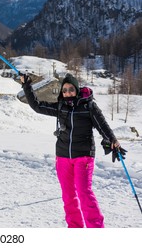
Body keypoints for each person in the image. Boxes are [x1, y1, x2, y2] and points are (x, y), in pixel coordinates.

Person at [20, 73, 125, 228]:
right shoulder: (60, 107)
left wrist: (113, 141)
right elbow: (37, 106)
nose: (67, 93)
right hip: (62, 157)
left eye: (70, 89)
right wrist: (26, 85)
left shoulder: (88, 106)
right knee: (68, 196)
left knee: (84, 193)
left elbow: (103, 126)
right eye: (65, 90)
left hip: (83, 157)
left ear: (76, 89)